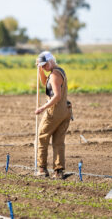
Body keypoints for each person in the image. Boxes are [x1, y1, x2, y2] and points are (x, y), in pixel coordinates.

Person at [35, 51, 72, 179]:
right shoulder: (57, 72)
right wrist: (40, 69)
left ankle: (42, 168)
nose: (44, 67)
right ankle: (58, 171)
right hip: (65, 110)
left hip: (55, 111)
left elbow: (57, 96)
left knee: (42, 136)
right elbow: (45, 81)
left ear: (51, 61)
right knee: (58, 141)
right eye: (42, 65)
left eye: (45, 65)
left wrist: (42, 108)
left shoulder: (55, 74)